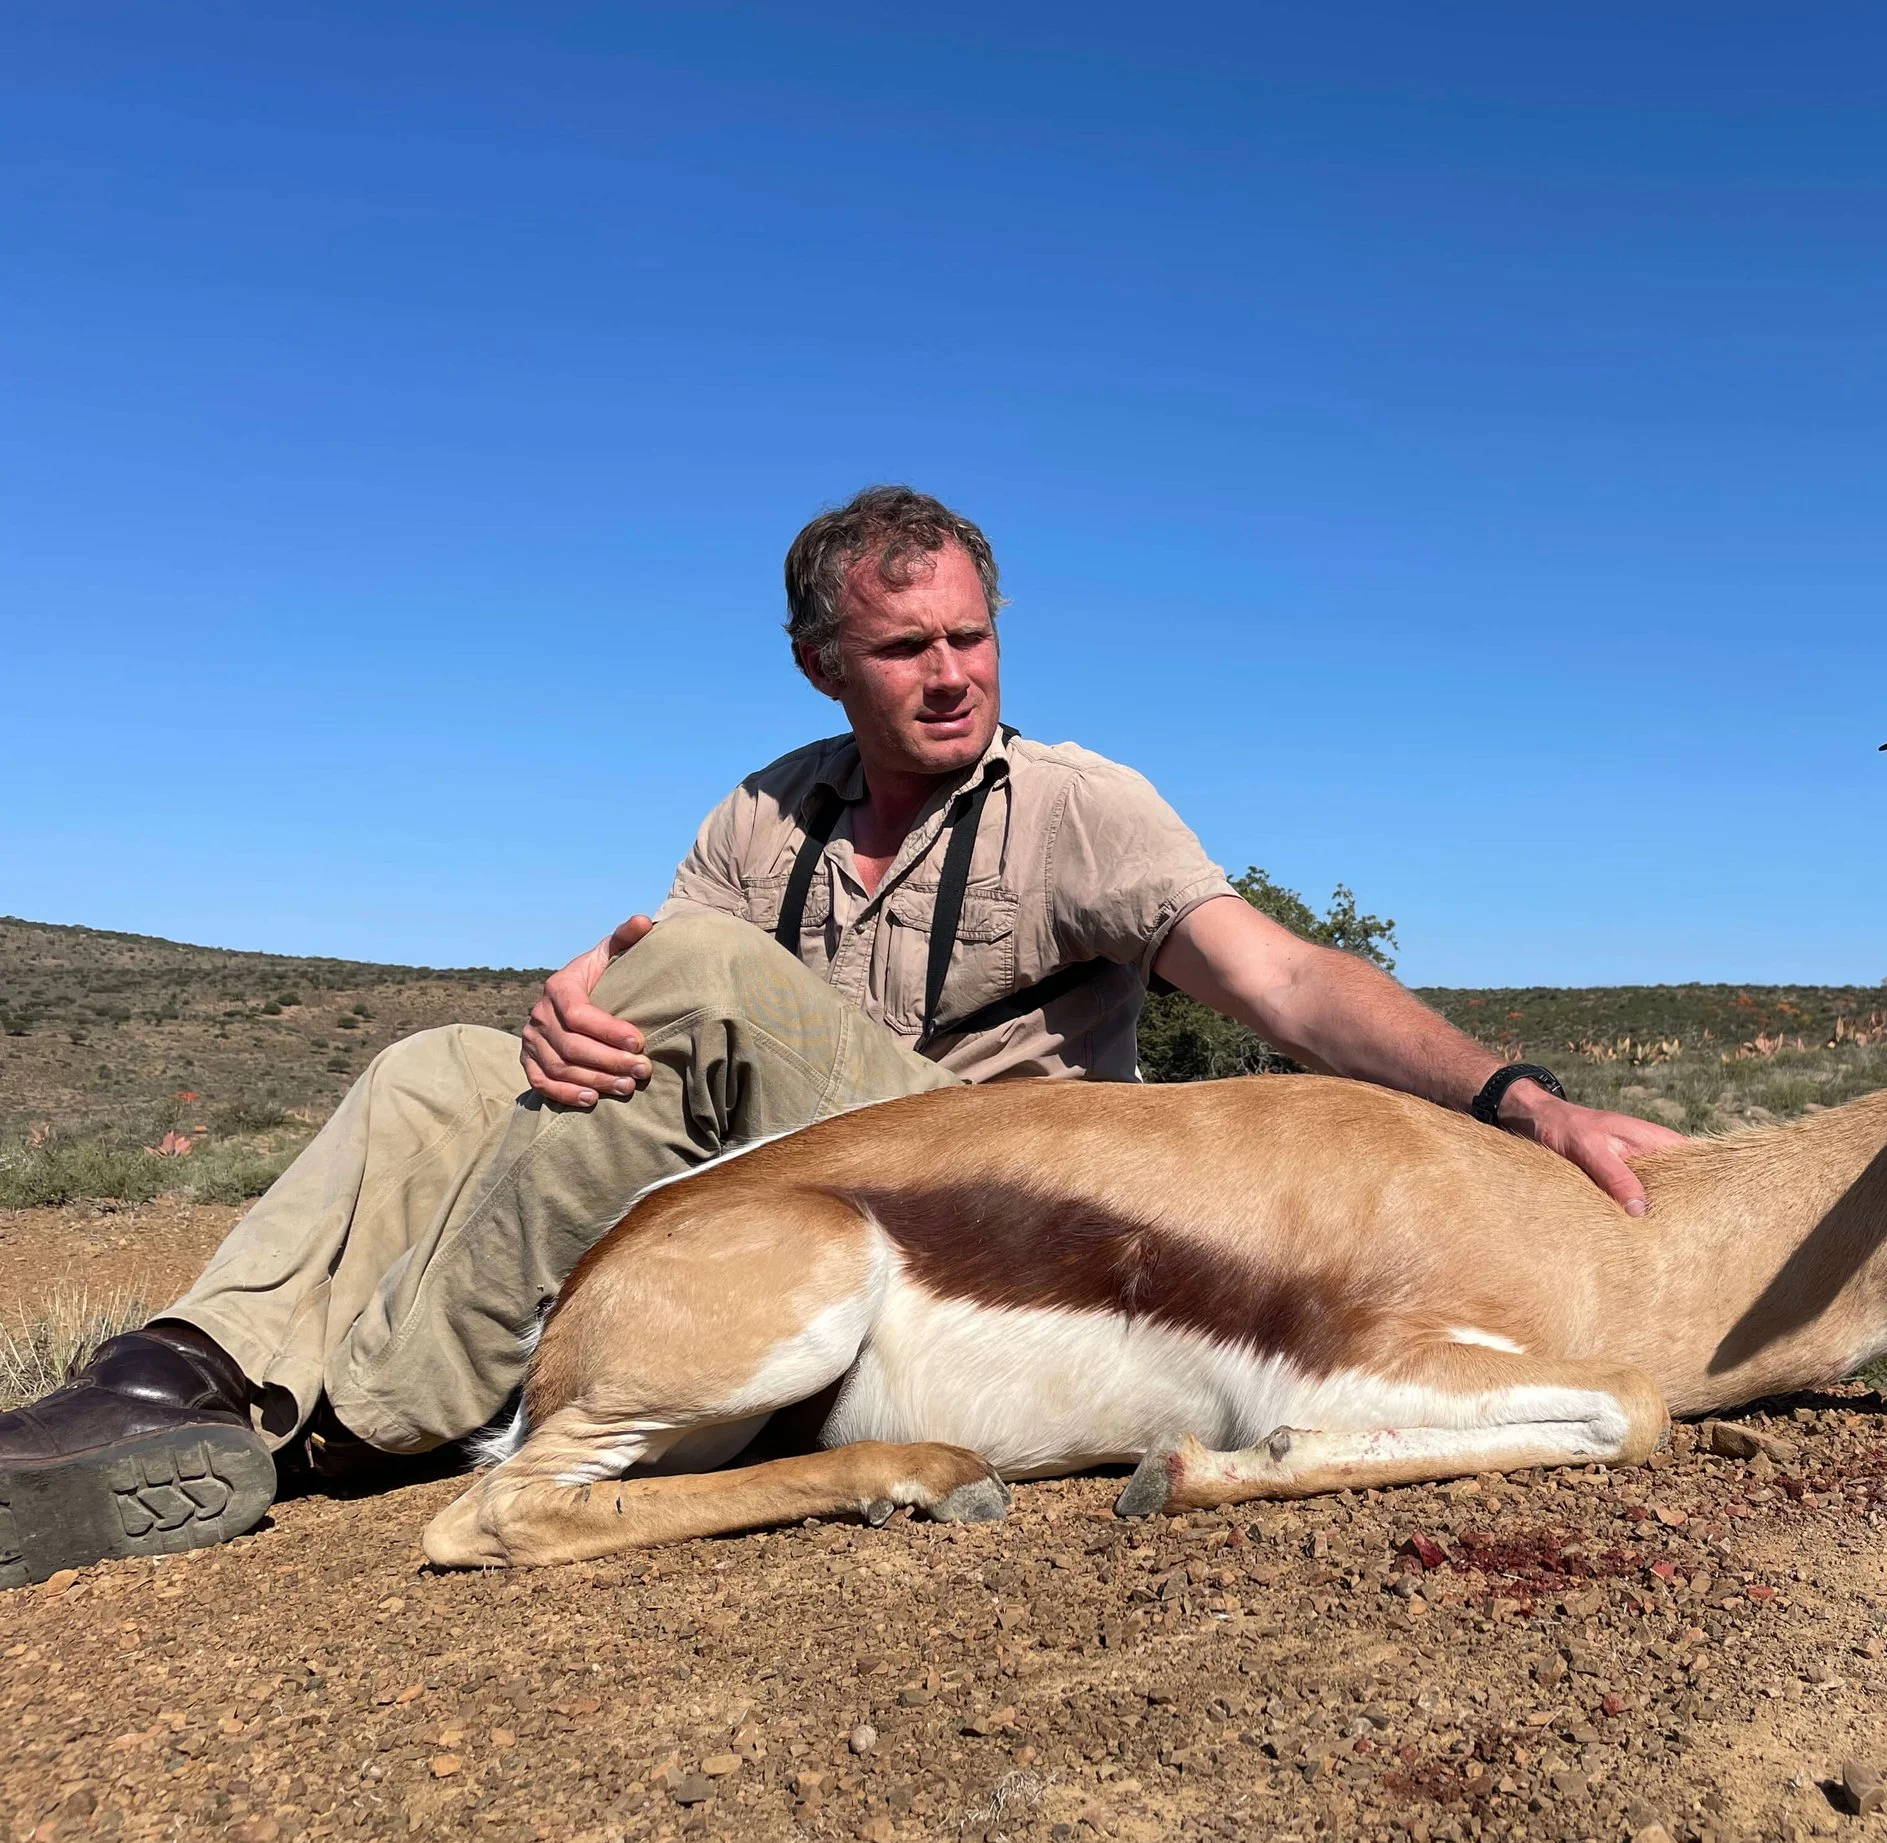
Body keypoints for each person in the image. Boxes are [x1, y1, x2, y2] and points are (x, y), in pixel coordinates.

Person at [0, 487, 1681, 1585]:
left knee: (701, 977)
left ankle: (367, 1419)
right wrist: (560, 1013)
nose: (954, 675)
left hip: (991, 1181)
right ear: (822, 664)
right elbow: (628, 979)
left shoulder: (1077, 804)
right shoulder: (765, 809)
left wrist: (1514, 1095)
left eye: (974, 635)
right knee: (434, 1064)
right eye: (904, 647)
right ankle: (179, 1370)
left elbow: (1287, 983)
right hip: (804, 1174)